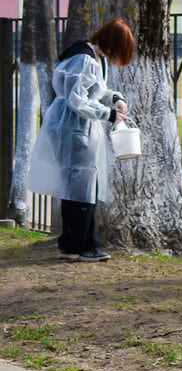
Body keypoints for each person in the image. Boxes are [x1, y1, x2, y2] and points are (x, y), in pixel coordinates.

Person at [29, 18, 136, 262]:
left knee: (80, 186)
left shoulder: (94, 57)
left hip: (81, 127)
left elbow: (94, 89)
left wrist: (114, 98)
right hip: (74, 127)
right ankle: (85, 244)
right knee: (81, 187)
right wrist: (107, 113)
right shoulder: (84, 58)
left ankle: (73, 242)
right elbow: (76, 99)